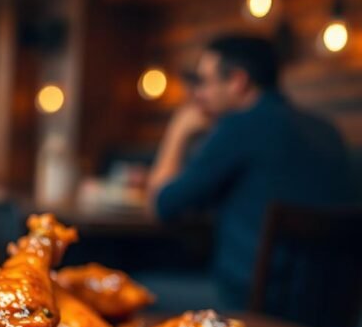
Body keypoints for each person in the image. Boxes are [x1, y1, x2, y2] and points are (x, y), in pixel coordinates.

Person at [148, 35, 357, 309]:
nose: (199, 95)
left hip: (248, 305)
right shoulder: (328, 131)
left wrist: (178, 132)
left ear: (237, 81)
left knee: (139, 290)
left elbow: (161, 205)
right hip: (330, 309)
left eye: (205, 82)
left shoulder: (239, 127)